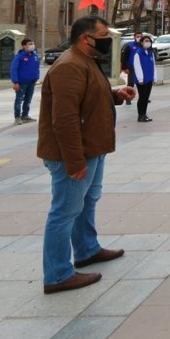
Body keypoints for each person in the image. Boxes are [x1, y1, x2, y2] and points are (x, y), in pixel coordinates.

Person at [37, 15, 134, 294]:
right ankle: (57, 275)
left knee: (87, 201)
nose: (107, 38)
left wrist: (115, 94)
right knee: (64, 212)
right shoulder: (69, 66)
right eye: (103, 34)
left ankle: (87, 249)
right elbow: (64, 120)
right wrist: (74, 161)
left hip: (93, 147)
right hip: (75, 153)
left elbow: (87, 98)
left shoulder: (85, 61)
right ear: (85, 38)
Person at [10, 37, 41, 125]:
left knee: (28, 99)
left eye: (32, 43)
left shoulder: (34, 55)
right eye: (30, 44)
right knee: (19, 100)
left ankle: (25, 115)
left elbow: (37, 67)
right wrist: (15, 82)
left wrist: (36, 78)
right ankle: (17, 117)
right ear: (24, 46)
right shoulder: (19, 56)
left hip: (32, 82)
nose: (32, 45)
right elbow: (14, 69)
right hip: (21, 83)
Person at [131, 35, 156, 122]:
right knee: (142, 97)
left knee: (146, 97)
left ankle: (144, 114)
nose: (147, 42)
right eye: (145, 41)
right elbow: (137, 66)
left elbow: (153, 66)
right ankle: (140, 115)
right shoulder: (138, 53)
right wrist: (140, 79)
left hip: (149, 78)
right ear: (141, 42)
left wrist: (154, 78)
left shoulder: (151, 53)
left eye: (149, 41)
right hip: (142, 80)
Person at [120, 31, 143, 105]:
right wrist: (125, 68)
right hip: (131, 68)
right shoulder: (129, 46)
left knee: (142, 83)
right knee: (130, 84)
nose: (139, 38)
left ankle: (143, 98)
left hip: (141, 68)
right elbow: (124, 57)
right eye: (138, 36)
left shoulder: (143, 46)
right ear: (134, 37)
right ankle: (128, 99)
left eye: (140, 36)